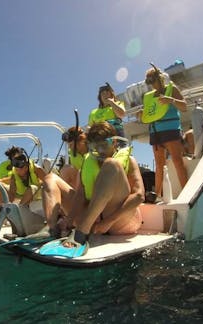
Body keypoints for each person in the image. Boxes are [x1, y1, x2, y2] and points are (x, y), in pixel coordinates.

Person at [41, 121, 145, 257]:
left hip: (118, 222)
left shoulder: (129, 161)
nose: (100, 152)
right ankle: (51, 229)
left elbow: (139, 196)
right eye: (94, 147)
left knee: (111, 164)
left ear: (114, 142)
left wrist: (109, 221)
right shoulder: (88, 161)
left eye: (104, 146)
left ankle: (81, 233)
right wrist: (69, 220)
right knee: (50, 178)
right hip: (93, 221)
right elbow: (80, 194)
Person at [141, 66, 188, 195]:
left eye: (153, 80)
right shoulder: (148, 97)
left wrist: (171, 100)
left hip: (170, 130)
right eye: (149, 81)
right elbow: (149, 114)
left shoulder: (171, 89)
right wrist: (141, 115)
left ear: (161, 78)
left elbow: (184, 107)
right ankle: (157, 195)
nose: (152, 84)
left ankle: (187, 193)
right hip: (155, 132)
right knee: (159, 165)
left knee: (177, 161)